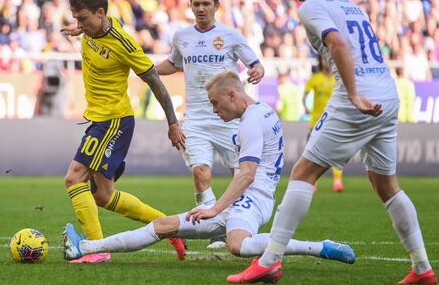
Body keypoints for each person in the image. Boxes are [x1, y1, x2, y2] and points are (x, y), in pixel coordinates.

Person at [227, 0, 436, 285]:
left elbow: (337, 44)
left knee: (303, 173)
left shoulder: (310, 6)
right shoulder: (348, 4)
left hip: (359, 95)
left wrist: (353, 94)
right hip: (387, 91)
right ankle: (422, 267)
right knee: (386, 184)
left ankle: (269, 260)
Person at [64, 71, 355, 268]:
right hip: (247, 199)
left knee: (238, 246)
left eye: (216, 103)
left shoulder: (252, 121)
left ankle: (320, 247)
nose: (215, 110)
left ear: (232, 95)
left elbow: (247, 174)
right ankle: (87, 248)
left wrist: (214, 209)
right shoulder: (264, 112)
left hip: (251, 201)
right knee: (163, 226)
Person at [59, 0, 186, 263]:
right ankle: (170, 227)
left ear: (100, 12)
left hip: (113, 121)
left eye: (82, 19)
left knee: (74, 178)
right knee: (103, 195)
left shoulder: (124, 44)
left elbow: (155, 81)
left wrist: (173, 123)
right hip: (99, 119)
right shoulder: (93, 27)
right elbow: (95, 28)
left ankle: (96, 249)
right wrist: (81, 28)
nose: (78, 24)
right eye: (76, 19)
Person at [156, 0, 265, 249]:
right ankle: (214, 230)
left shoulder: (231, 36)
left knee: (238, 173)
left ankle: (238, 224)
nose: (201, 8)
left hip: (228, 118)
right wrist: (146, 69)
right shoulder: (182, 37)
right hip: (196, 118)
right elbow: (173, 63)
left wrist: (258, 70)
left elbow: (255, 64)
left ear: (217, 5)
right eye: (197, 4)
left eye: (206, 4)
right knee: (200, 172)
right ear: (191, 6)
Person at [302, 56, 344, 192]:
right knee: (312, 152)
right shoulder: (315, 78)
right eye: (324, 59)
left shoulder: (338, 78)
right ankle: (313, 181)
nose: (327, 62)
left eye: (329, 59)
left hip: (334, 121)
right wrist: (305, 107)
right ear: (321, 61)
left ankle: (337, 181)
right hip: (316, 121)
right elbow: (305, 94)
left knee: (336, 152)